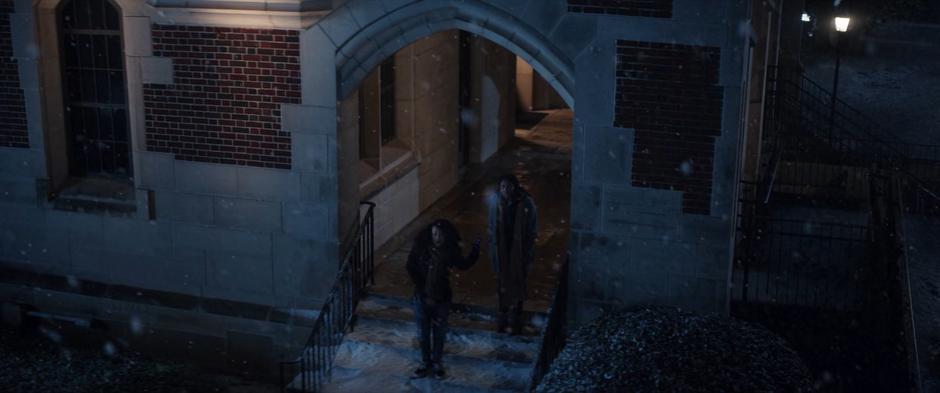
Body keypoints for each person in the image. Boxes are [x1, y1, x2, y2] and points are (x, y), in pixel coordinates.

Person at [406, 219, 480, 379]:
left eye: (439, 234)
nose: (437, 237)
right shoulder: (421, 249)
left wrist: (475, 251)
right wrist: (422, 289)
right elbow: (410, 267)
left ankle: (436, 362)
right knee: (424, 333)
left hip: (441, 297)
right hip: (422, 297)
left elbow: (463, 264)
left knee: (439, 332)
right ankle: (426, 362)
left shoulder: (449, 252)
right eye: (434, 234)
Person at [487, 174, 537, 335]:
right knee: (502, 279)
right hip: (502, 246)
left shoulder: (525, 202)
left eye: (508, 187)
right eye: (503, 187)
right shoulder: (496, 202)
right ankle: (503, 312)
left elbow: (531, 228)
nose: (505, 190)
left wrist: (528, 250)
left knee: (517, 279)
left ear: (514, 187)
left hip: (517, 247)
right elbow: (491, 225)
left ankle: (516, 314)